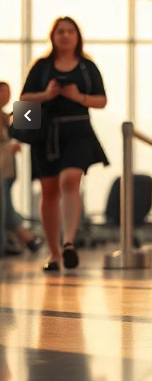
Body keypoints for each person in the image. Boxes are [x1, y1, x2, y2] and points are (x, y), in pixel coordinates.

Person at [19, 16, 109, 272]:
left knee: (70, 179)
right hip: (46, 134)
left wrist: (78, 96)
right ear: (53, 36)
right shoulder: (42, 66)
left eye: (70, 31)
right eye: (61, 32)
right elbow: (24, 98)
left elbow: (102, 100)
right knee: (49, 191)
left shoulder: (86, 67)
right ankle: (54, 253)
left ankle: (69, 241)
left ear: (77, 36)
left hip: (78, 130)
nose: (65, 36)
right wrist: (46, 95)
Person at [0, 81, 44, 255]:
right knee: (4, 209)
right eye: (2, 91)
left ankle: (25, 241)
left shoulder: (5, 116)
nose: (6, 95)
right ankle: (26, 241)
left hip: (7, 171)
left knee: (6, 208)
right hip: (3, 169)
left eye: (8, 92)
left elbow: (30, 121)